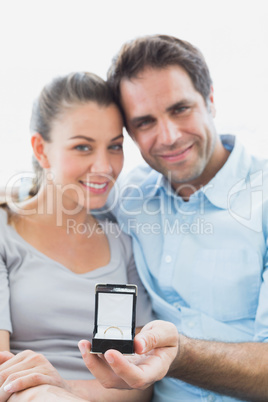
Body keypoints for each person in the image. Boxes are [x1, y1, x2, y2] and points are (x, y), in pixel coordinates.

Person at [78, 35, 268, 401]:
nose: (169, 136)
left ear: (210, 99)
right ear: (129, 134)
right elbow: (55, 203)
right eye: (145, 122)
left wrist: (178, 355)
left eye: (181, 109)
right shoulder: (131, 196)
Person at [0, 72, 153, 401]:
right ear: (41, 150)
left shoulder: (122, 241)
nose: (104, 166)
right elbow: (4, 376)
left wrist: (67, 388)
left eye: (114, 146)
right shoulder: (4, 235)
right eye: (82, 146)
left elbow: (138, 385)